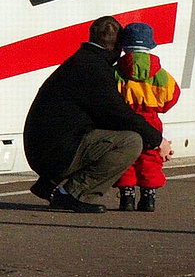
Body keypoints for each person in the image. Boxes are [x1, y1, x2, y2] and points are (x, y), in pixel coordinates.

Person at [22, 15, 173, 213]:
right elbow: (118, 114)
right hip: (54, 153)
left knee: (104, 132)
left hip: (44, 147)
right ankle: (74, 194)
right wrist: (157, 140)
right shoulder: (95, 69)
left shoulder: (80, 61)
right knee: (131, 142)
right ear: (117, 47)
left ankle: (49, 183)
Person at [111, 22, 181, 212]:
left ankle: (127, 197)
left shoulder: (115, 72)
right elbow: (171, 98)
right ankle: (148, 197)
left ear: (124, 46)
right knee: (150, 159)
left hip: (123, 122)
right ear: (151, 46)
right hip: (151, 122)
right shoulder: (162, 76)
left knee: (125, 158)